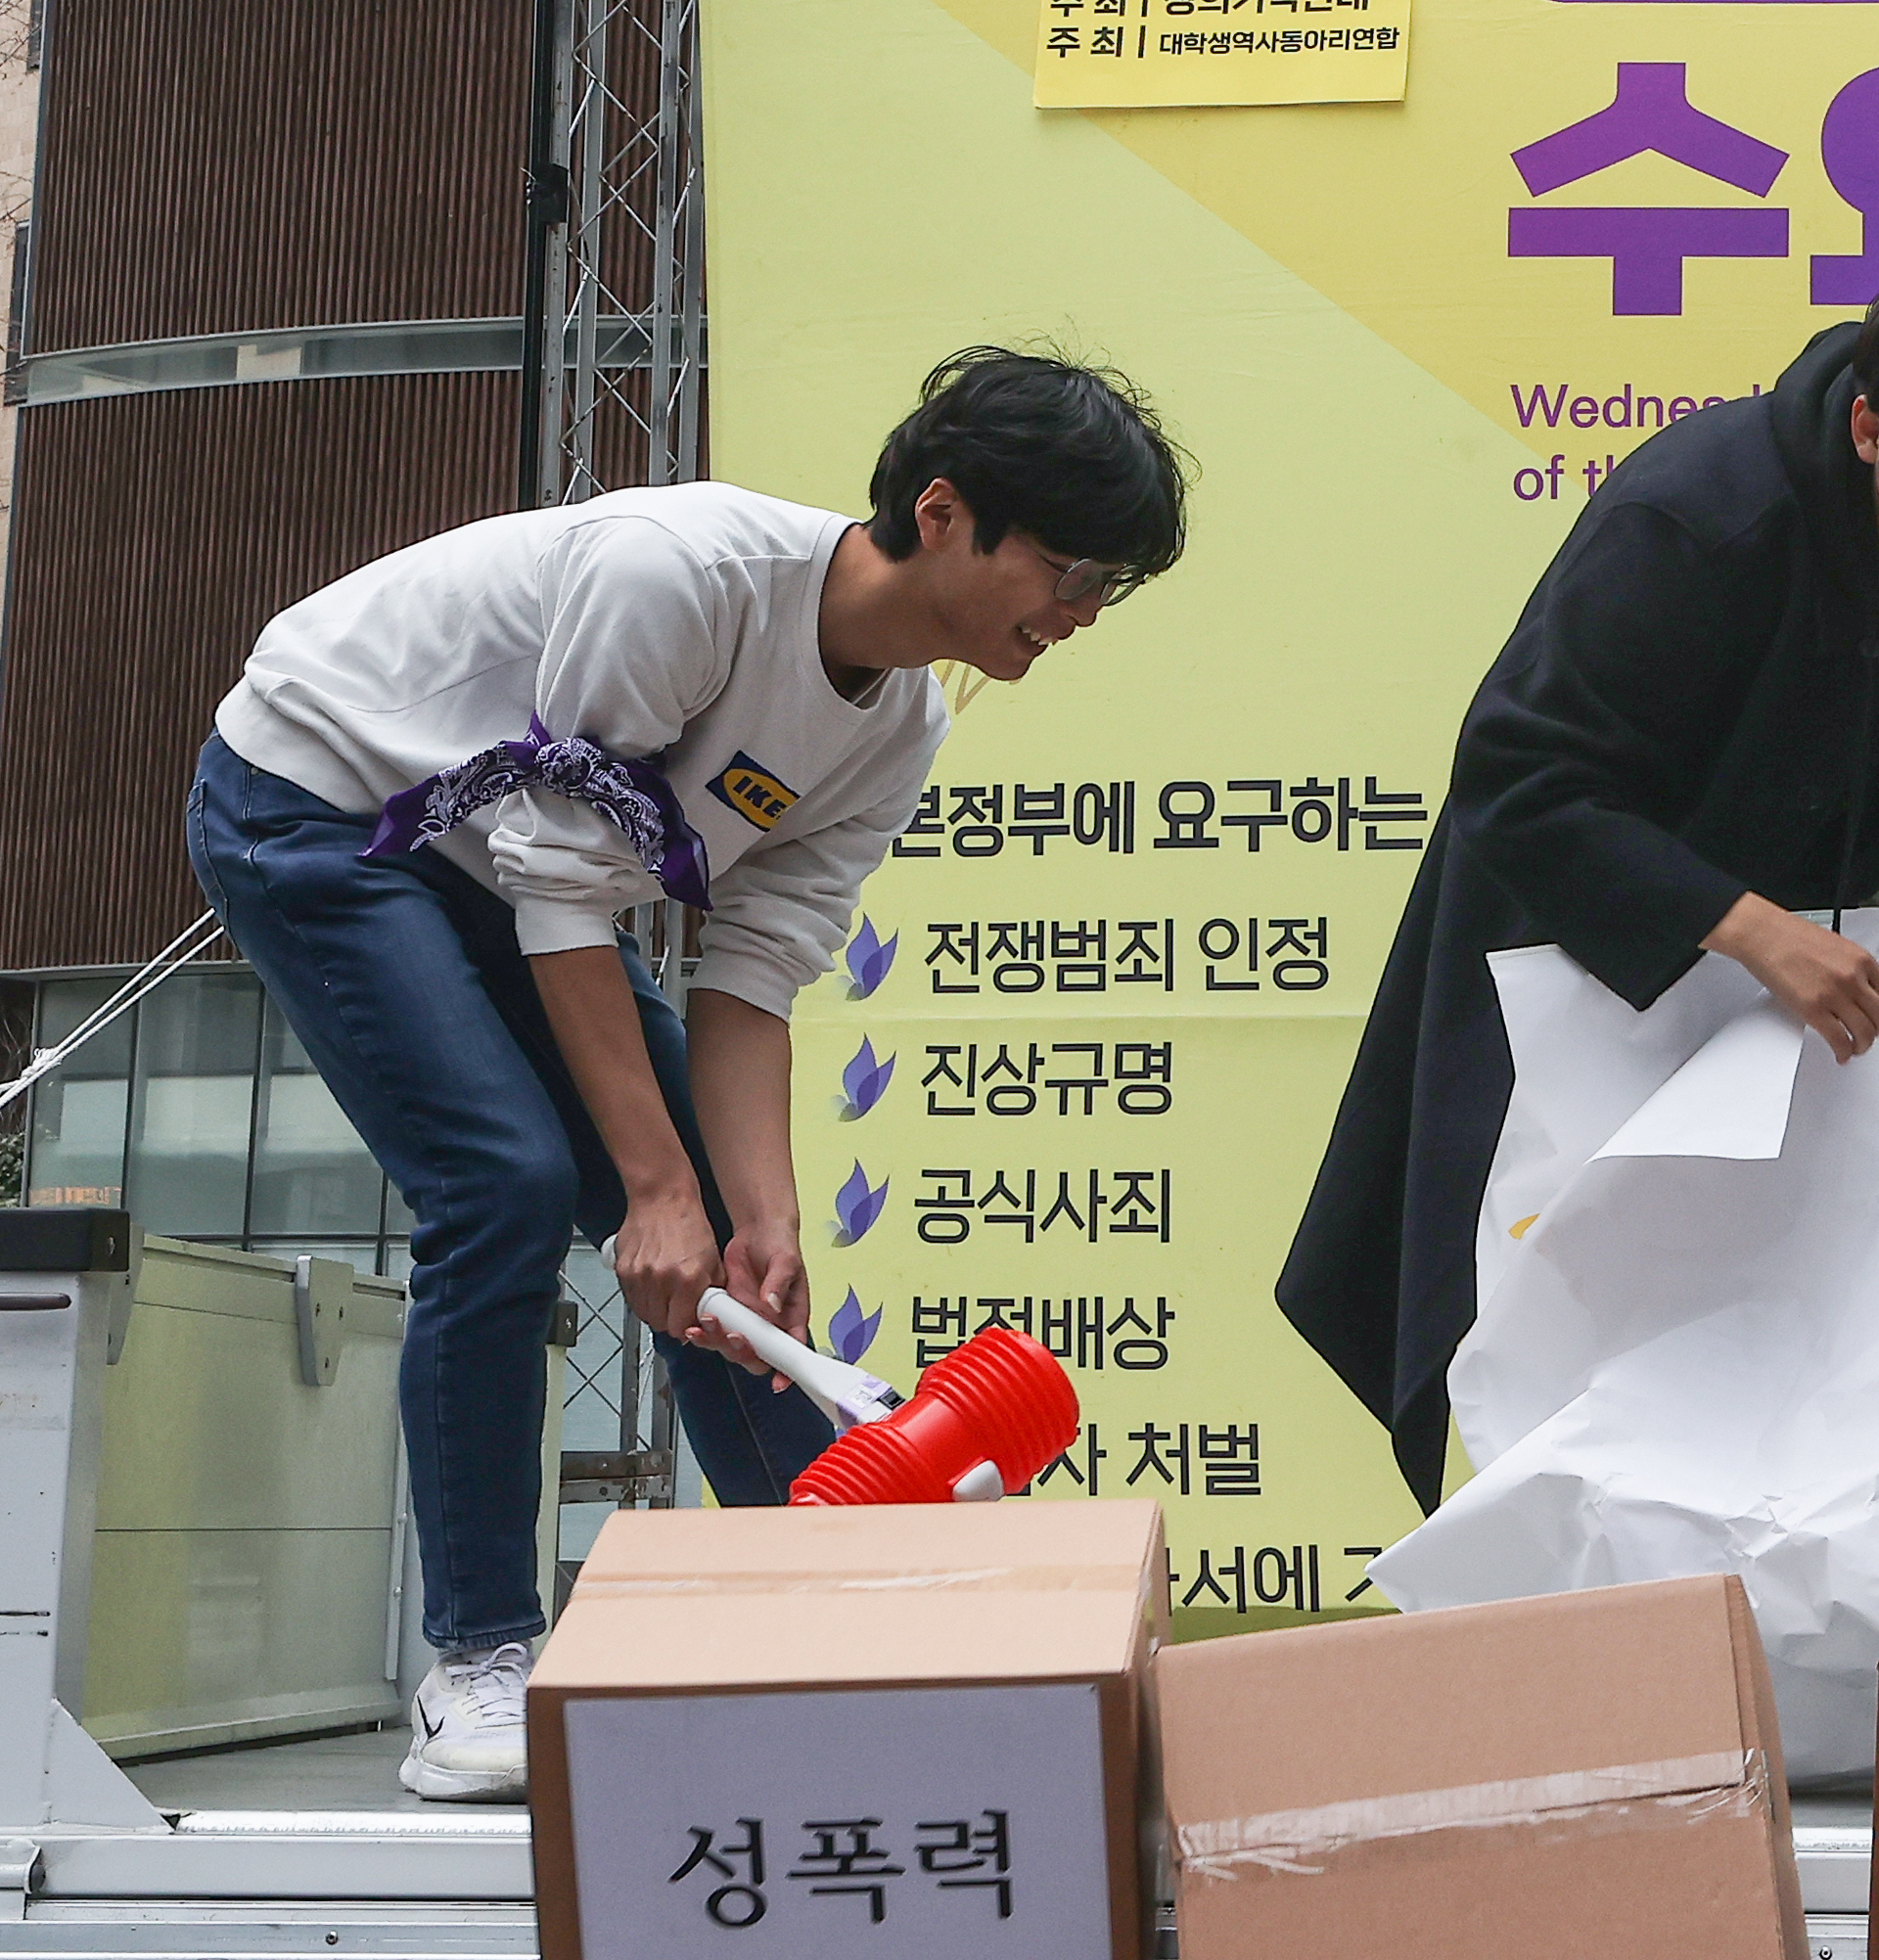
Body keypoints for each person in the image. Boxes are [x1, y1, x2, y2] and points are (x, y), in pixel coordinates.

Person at [190, 348, 1191, 1802]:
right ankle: (478, 1662)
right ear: (948, 510)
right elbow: (558, 881)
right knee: (508, 1185)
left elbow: (754, 971)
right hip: (322, 800)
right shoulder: (685, 577)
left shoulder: (902, 722)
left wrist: (756, 1213)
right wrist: (651, 1188)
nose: (1083, 615)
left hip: (502, 857)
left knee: (725, 1239)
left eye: (1114, 587)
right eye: (1073, 567)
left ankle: (817, 1622)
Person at [1280, 249, 1879, 1507]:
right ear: (1868, 429)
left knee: (1829, 1342)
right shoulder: (1694, 516)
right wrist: (1739, 925)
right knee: (1592, 1365)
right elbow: (1518, 777)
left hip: (1808, 992)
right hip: (1599, 967)